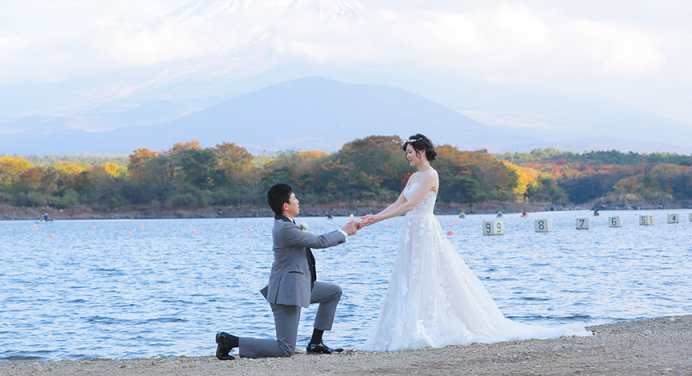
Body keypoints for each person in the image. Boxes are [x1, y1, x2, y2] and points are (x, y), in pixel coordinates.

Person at [359, 134, 590, 350]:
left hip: (424, 231)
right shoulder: (414, 177)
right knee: (409, 275)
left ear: (421, 152)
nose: (407, 156)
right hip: (411, 232)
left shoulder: (430, 174)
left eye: (409, 152)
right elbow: (398, 202)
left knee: (428, 275)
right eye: (406, 153)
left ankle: (428, 323)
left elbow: (411, 205)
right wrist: (374, 218)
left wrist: (380, 218)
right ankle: (408, 323)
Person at [216, 183, 359, 360]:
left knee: (333, 292)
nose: (298, 201)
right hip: (286, 292)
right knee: (285, 349)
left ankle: (315, 343)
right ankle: (229, 341)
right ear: (286, 206)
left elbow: (316, 240)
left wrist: (345, 230)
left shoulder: (287, 225)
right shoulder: (286, 229)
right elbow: (319, 241)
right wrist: (344, 232)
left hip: (298, 286)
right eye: (294, 198)